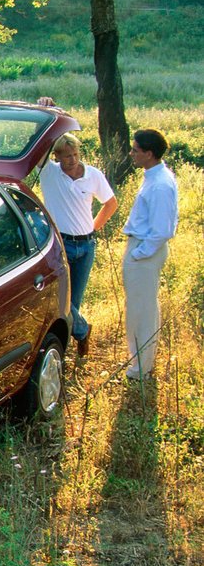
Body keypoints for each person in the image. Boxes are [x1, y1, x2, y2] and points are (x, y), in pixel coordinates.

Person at [35, 124, 118, 357]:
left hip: (87, 244)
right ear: (56, 155)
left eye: (75, 155)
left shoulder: (93, 175)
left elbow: (110, 204)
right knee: (62, 296)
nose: (72, 160)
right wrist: (48, 114)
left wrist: (93, 227)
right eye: (66, 155)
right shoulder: (50, 172)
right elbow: (38, 144)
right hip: (61, 244)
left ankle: (73, 341)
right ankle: (81, 331)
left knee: (75, 300)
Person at [122, 128, 178, 382]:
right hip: (140, 248)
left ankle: (140, 368)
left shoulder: (161, 184)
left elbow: (163, 229)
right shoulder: (152, 176)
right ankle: (140, 360)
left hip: (145, 251)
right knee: (141, 308)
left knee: (140, 311)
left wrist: (139, 254)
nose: (131, 153)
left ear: (149, 153)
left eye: (135, 150)